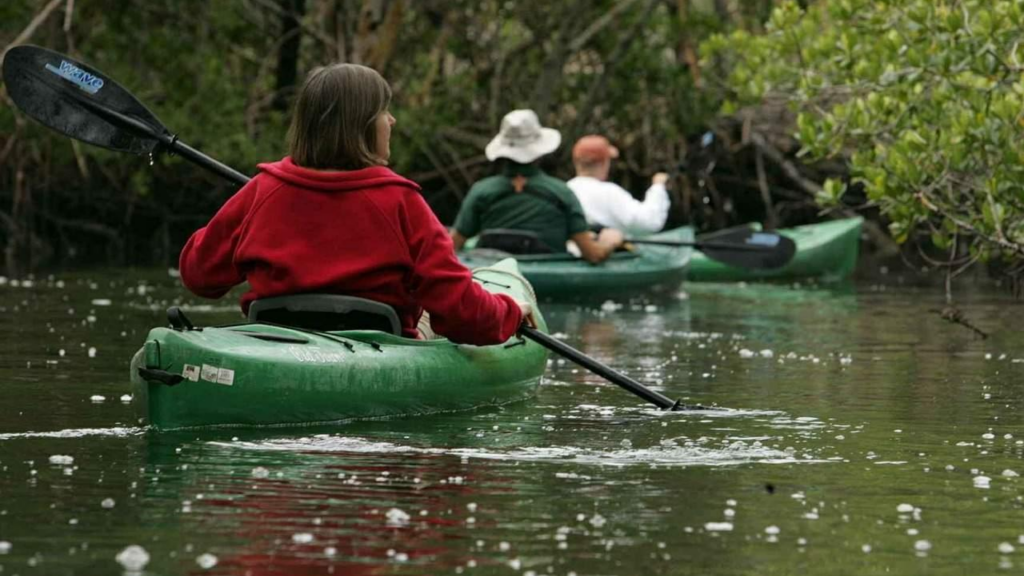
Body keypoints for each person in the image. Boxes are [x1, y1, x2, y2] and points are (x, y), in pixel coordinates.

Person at [178, 63, 531, 345]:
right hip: (381, 348)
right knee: (431, 316)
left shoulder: (262, 190)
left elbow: (199, 275)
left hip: (278, 344)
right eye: (384, 112)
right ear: (361, 127)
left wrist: (242, 214)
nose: (391, 121)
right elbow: (463, 314)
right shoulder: (402, 201)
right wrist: (510, 313)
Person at [450, 110, 623, 263]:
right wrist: (610, 241)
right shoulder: (562, 193)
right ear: (539, 151)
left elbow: (451, 249)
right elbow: (593, 254)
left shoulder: (480, 192)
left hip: (492, 276)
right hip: (551, 278)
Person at [567, 135, 670, 235]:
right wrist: (658, 187)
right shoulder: (608, 193)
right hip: (603, 251)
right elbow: (649, 222)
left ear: (575, 161)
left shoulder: (565, 189)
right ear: (604, 163)